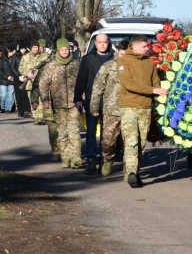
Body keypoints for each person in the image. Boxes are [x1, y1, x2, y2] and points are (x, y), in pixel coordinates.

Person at [117, 35, 166, 188]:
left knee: (141, 144)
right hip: (129, 107)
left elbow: (155, 82)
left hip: (145, 108)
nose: (148, 49)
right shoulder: (124, 61)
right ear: (136, 46)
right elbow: (129, 84)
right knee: (131, 141)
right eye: (145, 46)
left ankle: (135, 173)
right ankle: (131, 172)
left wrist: (161, 97)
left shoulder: (149, 62)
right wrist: (153, 90)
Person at [40, 39, 83, 169]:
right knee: (62, 132)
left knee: (74, 130)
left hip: (74, 103)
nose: (65, 52)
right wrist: (45, 99)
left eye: (66, 49)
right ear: (58, 51)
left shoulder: (75, 64)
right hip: (58, 105)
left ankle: (75, 157)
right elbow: (43, 84)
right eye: (62, 50)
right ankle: (65, 157)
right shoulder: (51, 66)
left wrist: (82, 99)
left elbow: (82, 83)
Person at [74, 33, 114, 174]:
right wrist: (78, 98)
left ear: (108, 43)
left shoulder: (115, 58)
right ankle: (91, 161)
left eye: (104, 42)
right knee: (91, 132)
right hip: (91, 101)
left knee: (107, 134)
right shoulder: (88, 59)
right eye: (99, 42)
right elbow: (81, 79)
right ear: (95, 43)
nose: (102, 44)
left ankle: (105, 160)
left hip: (111, 102)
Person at [90, 39, 128, 177]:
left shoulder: (134, 66)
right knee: (108, 140)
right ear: (117, 51)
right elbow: (98, 87)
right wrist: (94, 106)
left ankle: (129, 169)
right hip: (111, 110)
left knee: (129, 142)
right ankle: (108, 160)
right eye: (121, 53)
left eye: (126, 53)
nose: (123, 56)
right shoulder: (108, 66)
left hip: (129, 109)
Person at [19, 41, 50, 125]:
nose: (35, 49)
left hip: (42, 81)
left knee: (41, 99)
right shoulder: (25, 57)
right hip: (30, 82)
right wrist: (27, 73)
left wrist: (40, 71)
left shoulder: (44, 56)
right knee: (32, 100)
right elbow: (21, 68)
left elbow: (49, 67)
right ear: (31, 48)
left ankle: (40, 117)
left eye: (37, 47)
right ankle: (36, 116)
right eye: (34, 47)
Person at [12, 43, 31, 117]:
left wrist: (25, 75)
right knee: (18, 95)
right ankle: (20, 111)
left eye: (24, 49)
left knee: (25, 94)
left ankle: (26, 110)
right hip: (18, 78)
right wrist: (19, 75)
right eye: (22, 49)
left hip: (26, 77)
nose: (23, 50)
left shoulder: (28, 55)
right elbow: (13, 67)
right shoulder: (15, 56)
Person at [0, 47, 18, 113]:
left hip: (11, 80)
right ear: (7, 52)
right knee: (3, 95)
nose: (12, 53)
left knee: (10, 95)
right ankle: (3, 107)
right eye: (10, 52)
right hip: (3, 80)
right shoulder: (1, 60)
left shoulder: (13, 59)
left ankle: (8, 108)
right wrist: (6, 77)